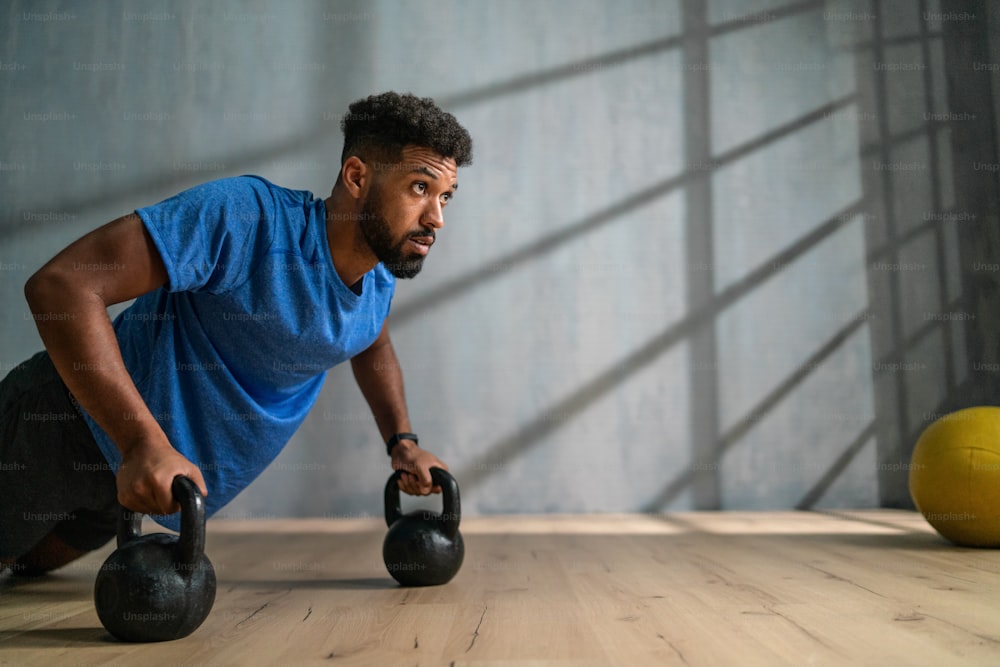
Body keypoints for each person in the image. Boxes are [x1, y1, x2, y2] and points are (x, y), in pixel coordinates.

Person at [0, 91, 473, 576]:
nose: (436, 217)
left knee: (26, 575)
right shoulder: (246, 217)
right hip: (59, 432)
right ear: (357, 176)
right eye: (420, 187)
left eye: (445, 197)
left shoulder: (377, 277)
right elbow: (62, 286)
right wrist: (141, 442)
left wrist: (402, 442)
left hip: (142, 485)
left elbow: (372, 342)